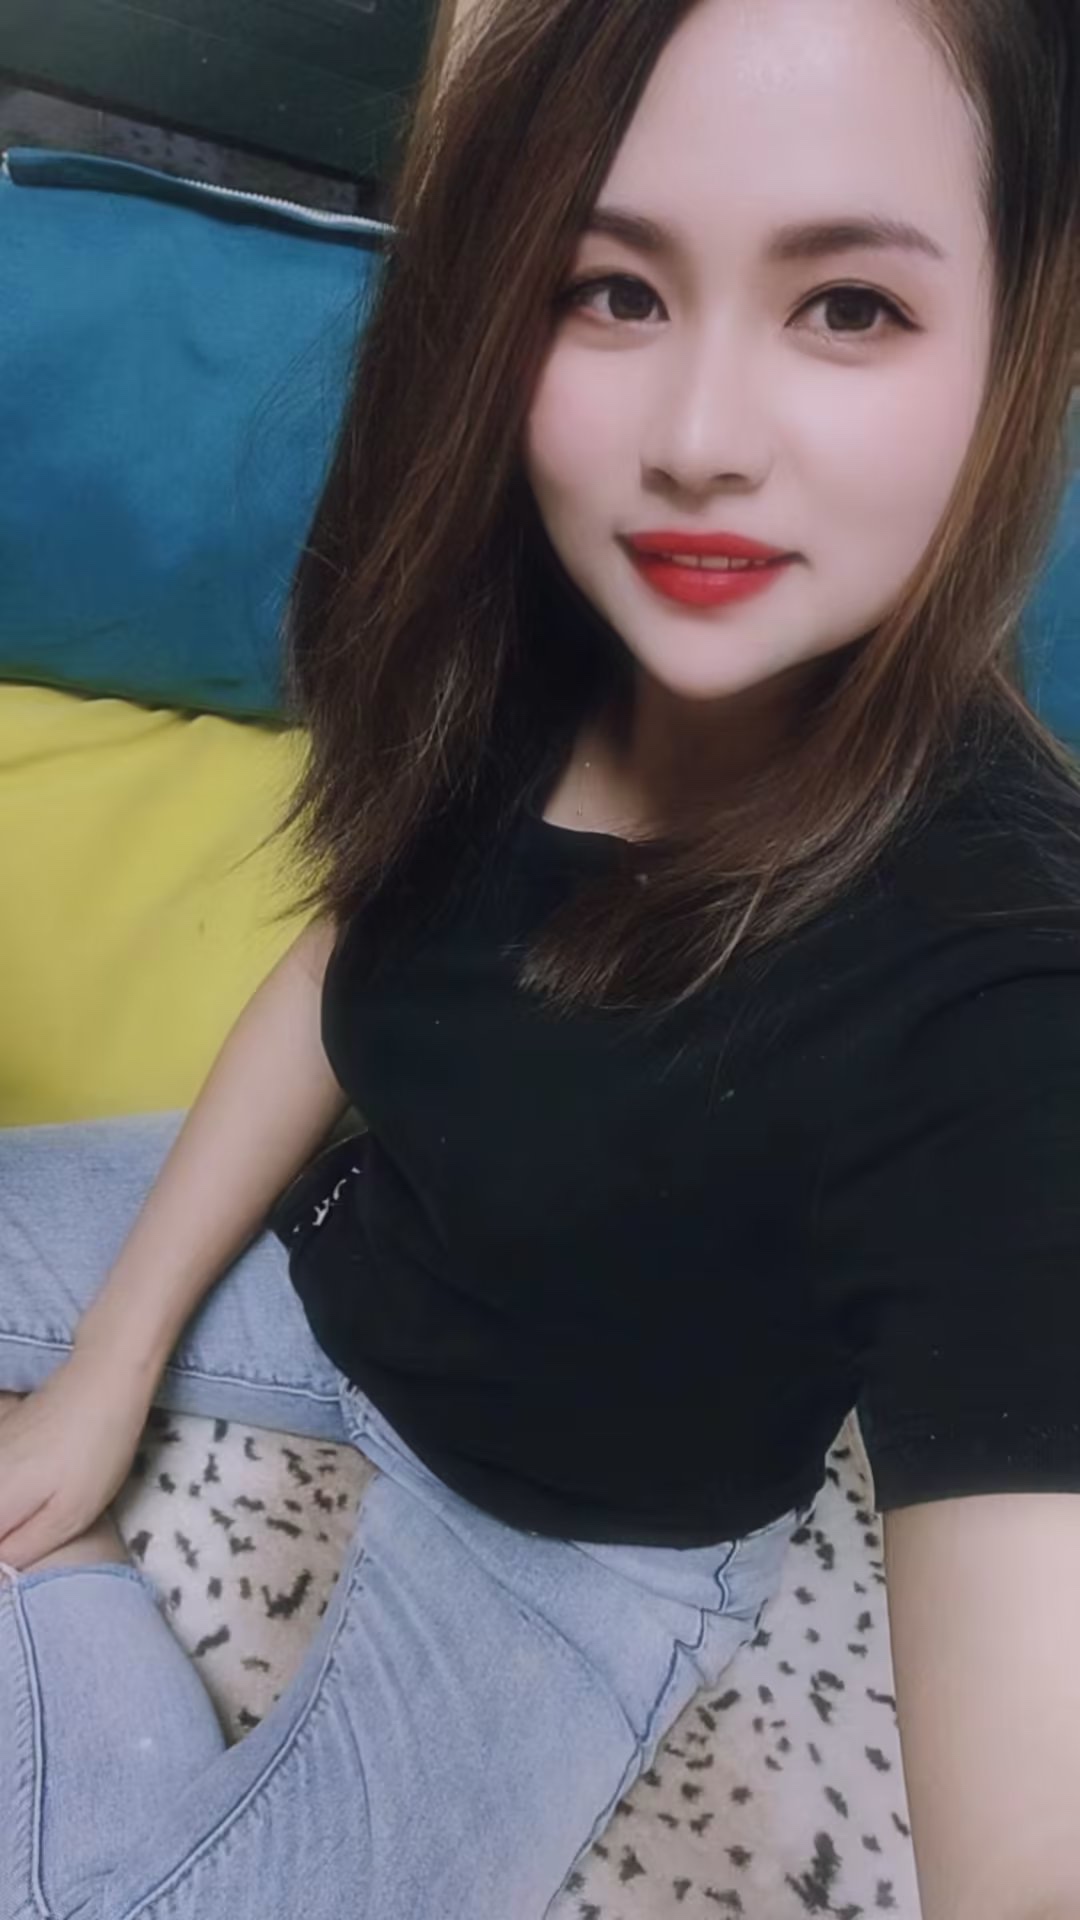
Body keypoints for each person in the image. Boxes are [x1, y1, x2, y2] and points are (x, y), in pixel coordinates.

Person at [1, 0, 1078, 1915]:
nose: (699, 446)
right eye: (610, 289)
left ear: (1021, 339)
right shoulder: (522, 629)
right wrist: (107, 1364)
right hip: (339, 1266)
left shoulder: (1001, 992)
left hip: (577, 1550)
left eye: (850, 306)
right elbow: (349, 955)